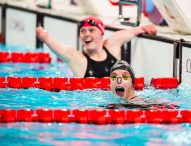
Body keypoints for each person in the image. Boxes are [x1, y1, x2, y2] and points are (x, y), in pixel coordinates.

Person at [36, 16, 157, 78]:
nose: (86, 34)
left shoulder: (111, 46)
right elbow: (62, 49)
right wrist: (45, 37)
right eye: (83, 31)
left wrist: (143, 28)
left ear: (101, 33)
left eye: (91, 30)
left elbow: (130, 33)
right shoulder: (79, 60)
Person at [107, 60, 179, 109]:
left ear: (133, 83)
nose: (118, 81)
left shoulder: (141, 102)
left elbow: (172, 105)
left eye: (125, 76)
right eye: (113, 76)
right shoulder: (109, 100)